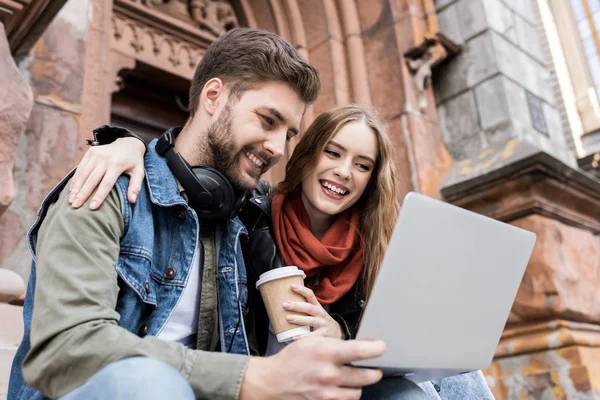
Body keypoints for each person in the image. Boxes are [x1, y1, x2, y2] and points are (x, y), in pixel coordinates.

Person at [8, 28, 393, 400]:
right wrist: (250, 379)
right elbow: (67, 347)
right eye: (268, 120)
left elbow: (313, 209)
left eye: (289, 134)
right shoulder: (106, 187)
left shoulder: (245, 219)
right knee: (149, 385)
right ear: (213, 96)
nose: (277, 148)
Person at [68, 105, 495, 399]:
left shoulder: (375, 248)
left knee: (455, 376)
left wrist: (340, 334)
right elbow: (190, 168)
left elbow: (389, 347)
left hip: (340, 385)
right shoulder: (248, 211)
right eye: (334, 153)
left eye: (362, 165)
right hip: (263, 378)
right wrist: (129, 144)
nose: (344, 172)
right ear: (308, 156)